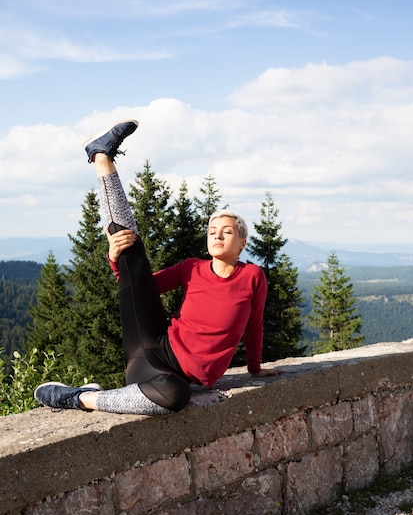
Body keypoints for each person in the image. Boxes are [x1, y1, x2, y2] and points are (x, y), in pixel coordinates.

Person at [34, 120, 280, 415]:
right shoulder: (192, 268)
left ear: (241, 242)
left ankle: (83, 396)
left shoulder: (253, 276)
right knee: (127, 246)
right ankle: (101, 156)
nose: (217, 234)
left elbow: (254, 324)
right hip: (151, 349)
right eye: (212, 230)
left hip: (172, 375)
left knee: (176, 392)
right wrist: (116, 259)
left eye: (227, 231)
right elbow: (140, 288)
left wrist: (255, 369)